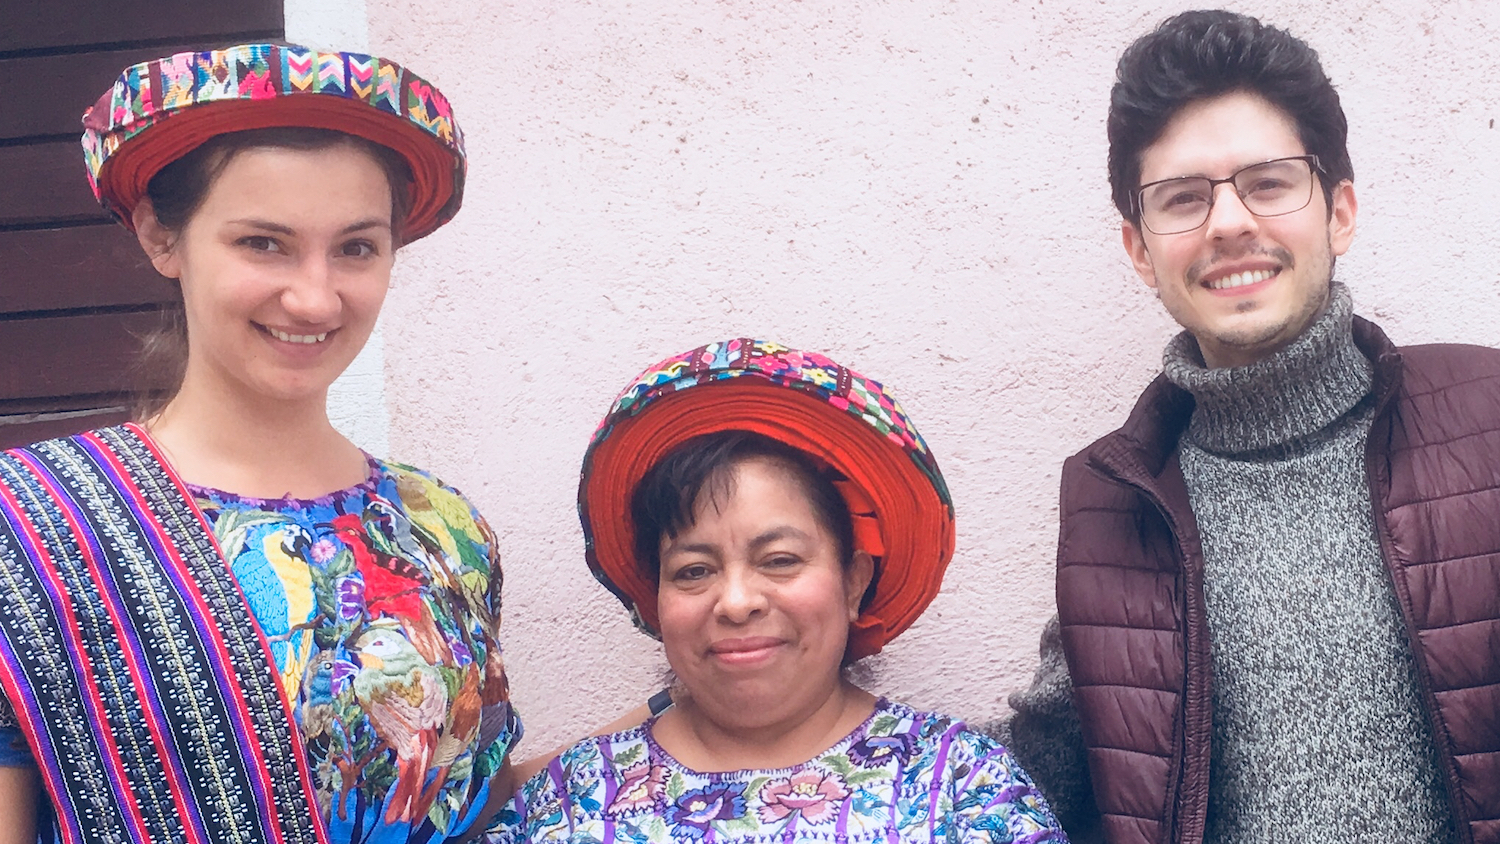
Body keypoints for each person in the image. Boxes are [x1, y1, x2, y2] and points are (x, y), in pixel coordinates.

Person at [984, 10, 1500, 844]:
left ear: (1339, 212)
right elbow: (1029, 788)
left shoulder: (1488, 417)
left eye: (1267, 182)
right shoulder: (1114, 502)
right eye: (1184, 199)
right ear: (1142, 251)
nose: (1228, 223)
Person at [0, 44, 520, 843]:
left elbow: (478, 807)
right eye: (263, 243)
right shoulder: (28, 528)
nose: (314, 297)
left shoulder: (444, 529)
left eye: (356, 247)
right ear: (159, 236)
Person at [488, 339, 1066, 843]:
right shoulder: (565, 803)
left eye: (780, 560)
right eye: (693, 570)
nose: (736, 602)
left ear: (854, 582)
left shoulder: (963, 785)